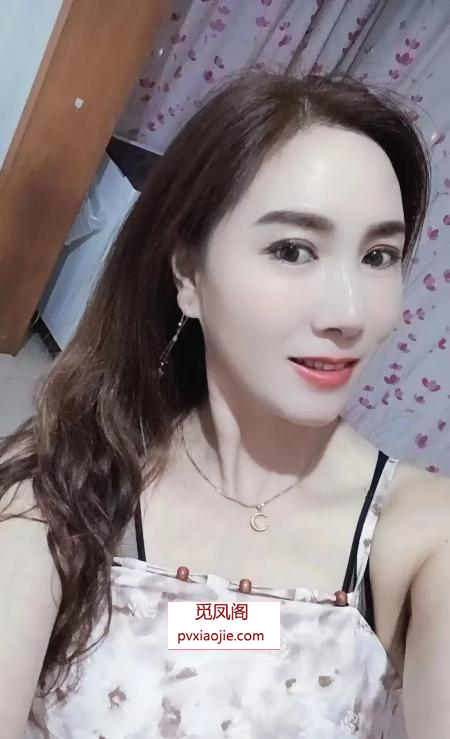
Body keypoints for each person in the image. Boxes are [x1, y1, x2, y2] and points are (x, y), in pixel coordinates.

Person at [0, 69, 448, 739]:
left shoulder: (420, 534)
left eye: (379, 255)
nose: (352, 313)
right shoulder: (65, 480)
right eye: (293, 249)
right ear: (188, 273)